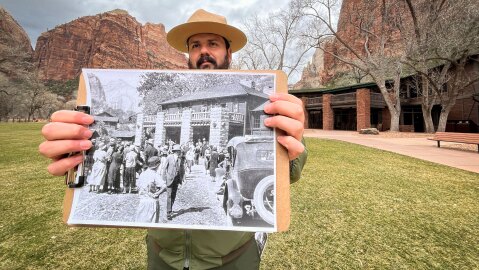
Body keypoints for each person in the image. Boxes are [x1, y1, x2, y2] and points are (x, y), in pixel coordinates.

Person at [39, 9, 307, 270]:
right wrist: (73, 150)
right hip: (162, 258)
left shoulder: (268, 101)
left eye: (213, 43)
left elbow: (288, 172)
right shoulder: (174, 108)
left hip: (234, 259)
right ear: (188, 54)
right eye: (195, 45)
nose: (204, 51)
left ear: (229, 53)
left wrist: (294, 146)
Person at [136, 156, 167, 223]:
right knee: (152, 224)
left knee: (141, 223)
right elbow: (164, 187)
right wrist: (157, 193)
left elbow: (138, 186)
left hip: (142, 201)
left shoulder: (142, 173)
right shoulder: (155, 175)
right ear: (157, 165)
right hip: (152, 202)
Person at [164, 144, 182, 221]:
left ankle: (170, 208)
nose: (180, 152)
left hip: (176, 179)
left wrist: (181, 179)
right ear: (176, 151)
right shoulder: (169, 157)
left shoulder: (180, 159)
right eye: (179, 151)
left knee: (173, 195)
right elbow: (164, 168)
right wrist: (164, 179)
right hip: (169, 179)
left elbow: (181, 169)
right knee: (169, 195)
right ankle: (168, 212)